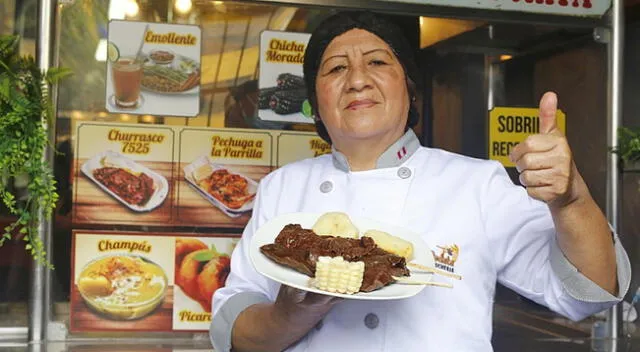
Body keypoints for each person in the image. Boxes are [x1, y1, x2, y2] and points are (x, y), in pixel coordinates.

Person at [210, 11, 631, 352]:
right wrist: (293, 314)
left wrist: (571, 198)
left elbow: (589, 291)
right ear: (316, 108)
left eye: (377, 61)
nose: (357, 78)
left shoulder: (476, 184)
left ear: (410, 91)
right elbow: (237, 329)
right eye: (336, 68)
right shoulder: (282, 187)